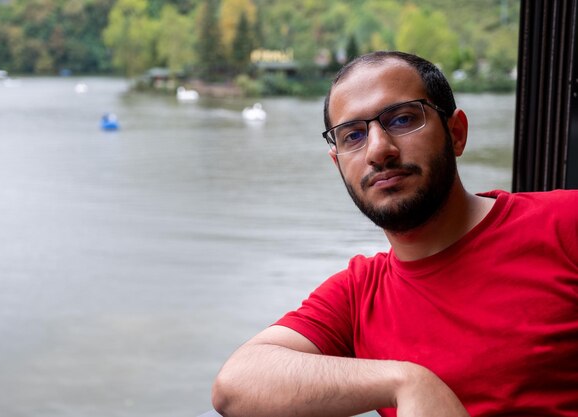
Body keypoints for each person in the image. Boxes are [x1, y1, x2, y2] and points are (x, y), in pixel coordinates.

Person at [211, 51, 578, 417]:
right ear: (338, 163)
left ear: (456, 134)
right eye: (353, 135)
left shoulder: (564, 223)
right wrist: (404, 381)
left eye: (402, 119)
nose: (378, 150)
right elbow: (237, 383)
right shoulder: (358, 294)